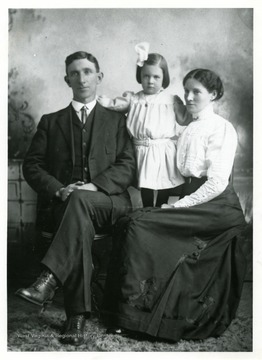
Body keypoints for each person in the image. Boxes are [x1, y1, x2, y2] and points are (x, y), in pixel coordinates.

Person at [102, 69, 247, 342]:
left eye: (197, 92)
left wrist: (179, 207)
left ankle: (135, 316)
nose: (189, 97)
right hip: (195, 201)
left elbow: (216, 183)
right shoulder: (188, 128)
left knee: (139, 225)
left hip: (217, 207)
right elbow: (181, 176)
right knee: (129, 221)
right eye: (187, 91)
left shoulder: (221, 128)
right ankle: (120, 313)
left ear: (213, 95)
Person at [15, 51, 136, 346]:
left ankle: (50, 280)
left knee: (80, 202)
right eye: (74, 73)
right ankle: (77, 316)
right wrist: (60, 189)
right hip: (66, 203)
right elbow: (32, 166)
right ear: (66, 78)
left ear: (99, 77)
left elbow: (128, 165)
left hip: (110, 202)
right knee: (77, 211)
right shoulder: (51, 121)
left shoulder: (117, 121)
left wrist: (94, 187)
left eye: (87, 71)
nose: (81, 78)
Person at [99, 43, 189, 207]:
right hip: (140, 150)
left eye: (156, 77)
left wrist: (194, 109)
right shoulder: (134, 99)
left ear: (164, 78)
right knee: (145, 183)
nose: (150, 81)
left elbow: (184, 119)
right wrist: (105, 102)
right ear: (140, 76)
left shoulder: (170, 100)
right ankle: (147, 211)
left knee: (164, 181)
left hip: (162, 150)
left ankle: (161, 208)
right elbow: (115, 105)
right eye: (146, 76)